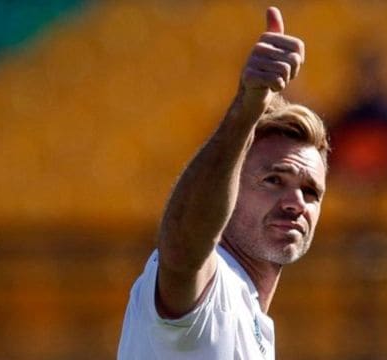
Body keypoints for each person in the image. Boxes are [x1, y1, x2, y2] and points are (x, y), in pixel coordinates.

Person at [117, 7, 329, 359]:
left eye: (311, 192)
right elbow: (183, 250)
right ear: (231, 187)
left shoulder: (252, 317)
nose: (296, 202)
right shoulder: (213, 287)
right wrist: (247, 109)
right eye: (273, 179)